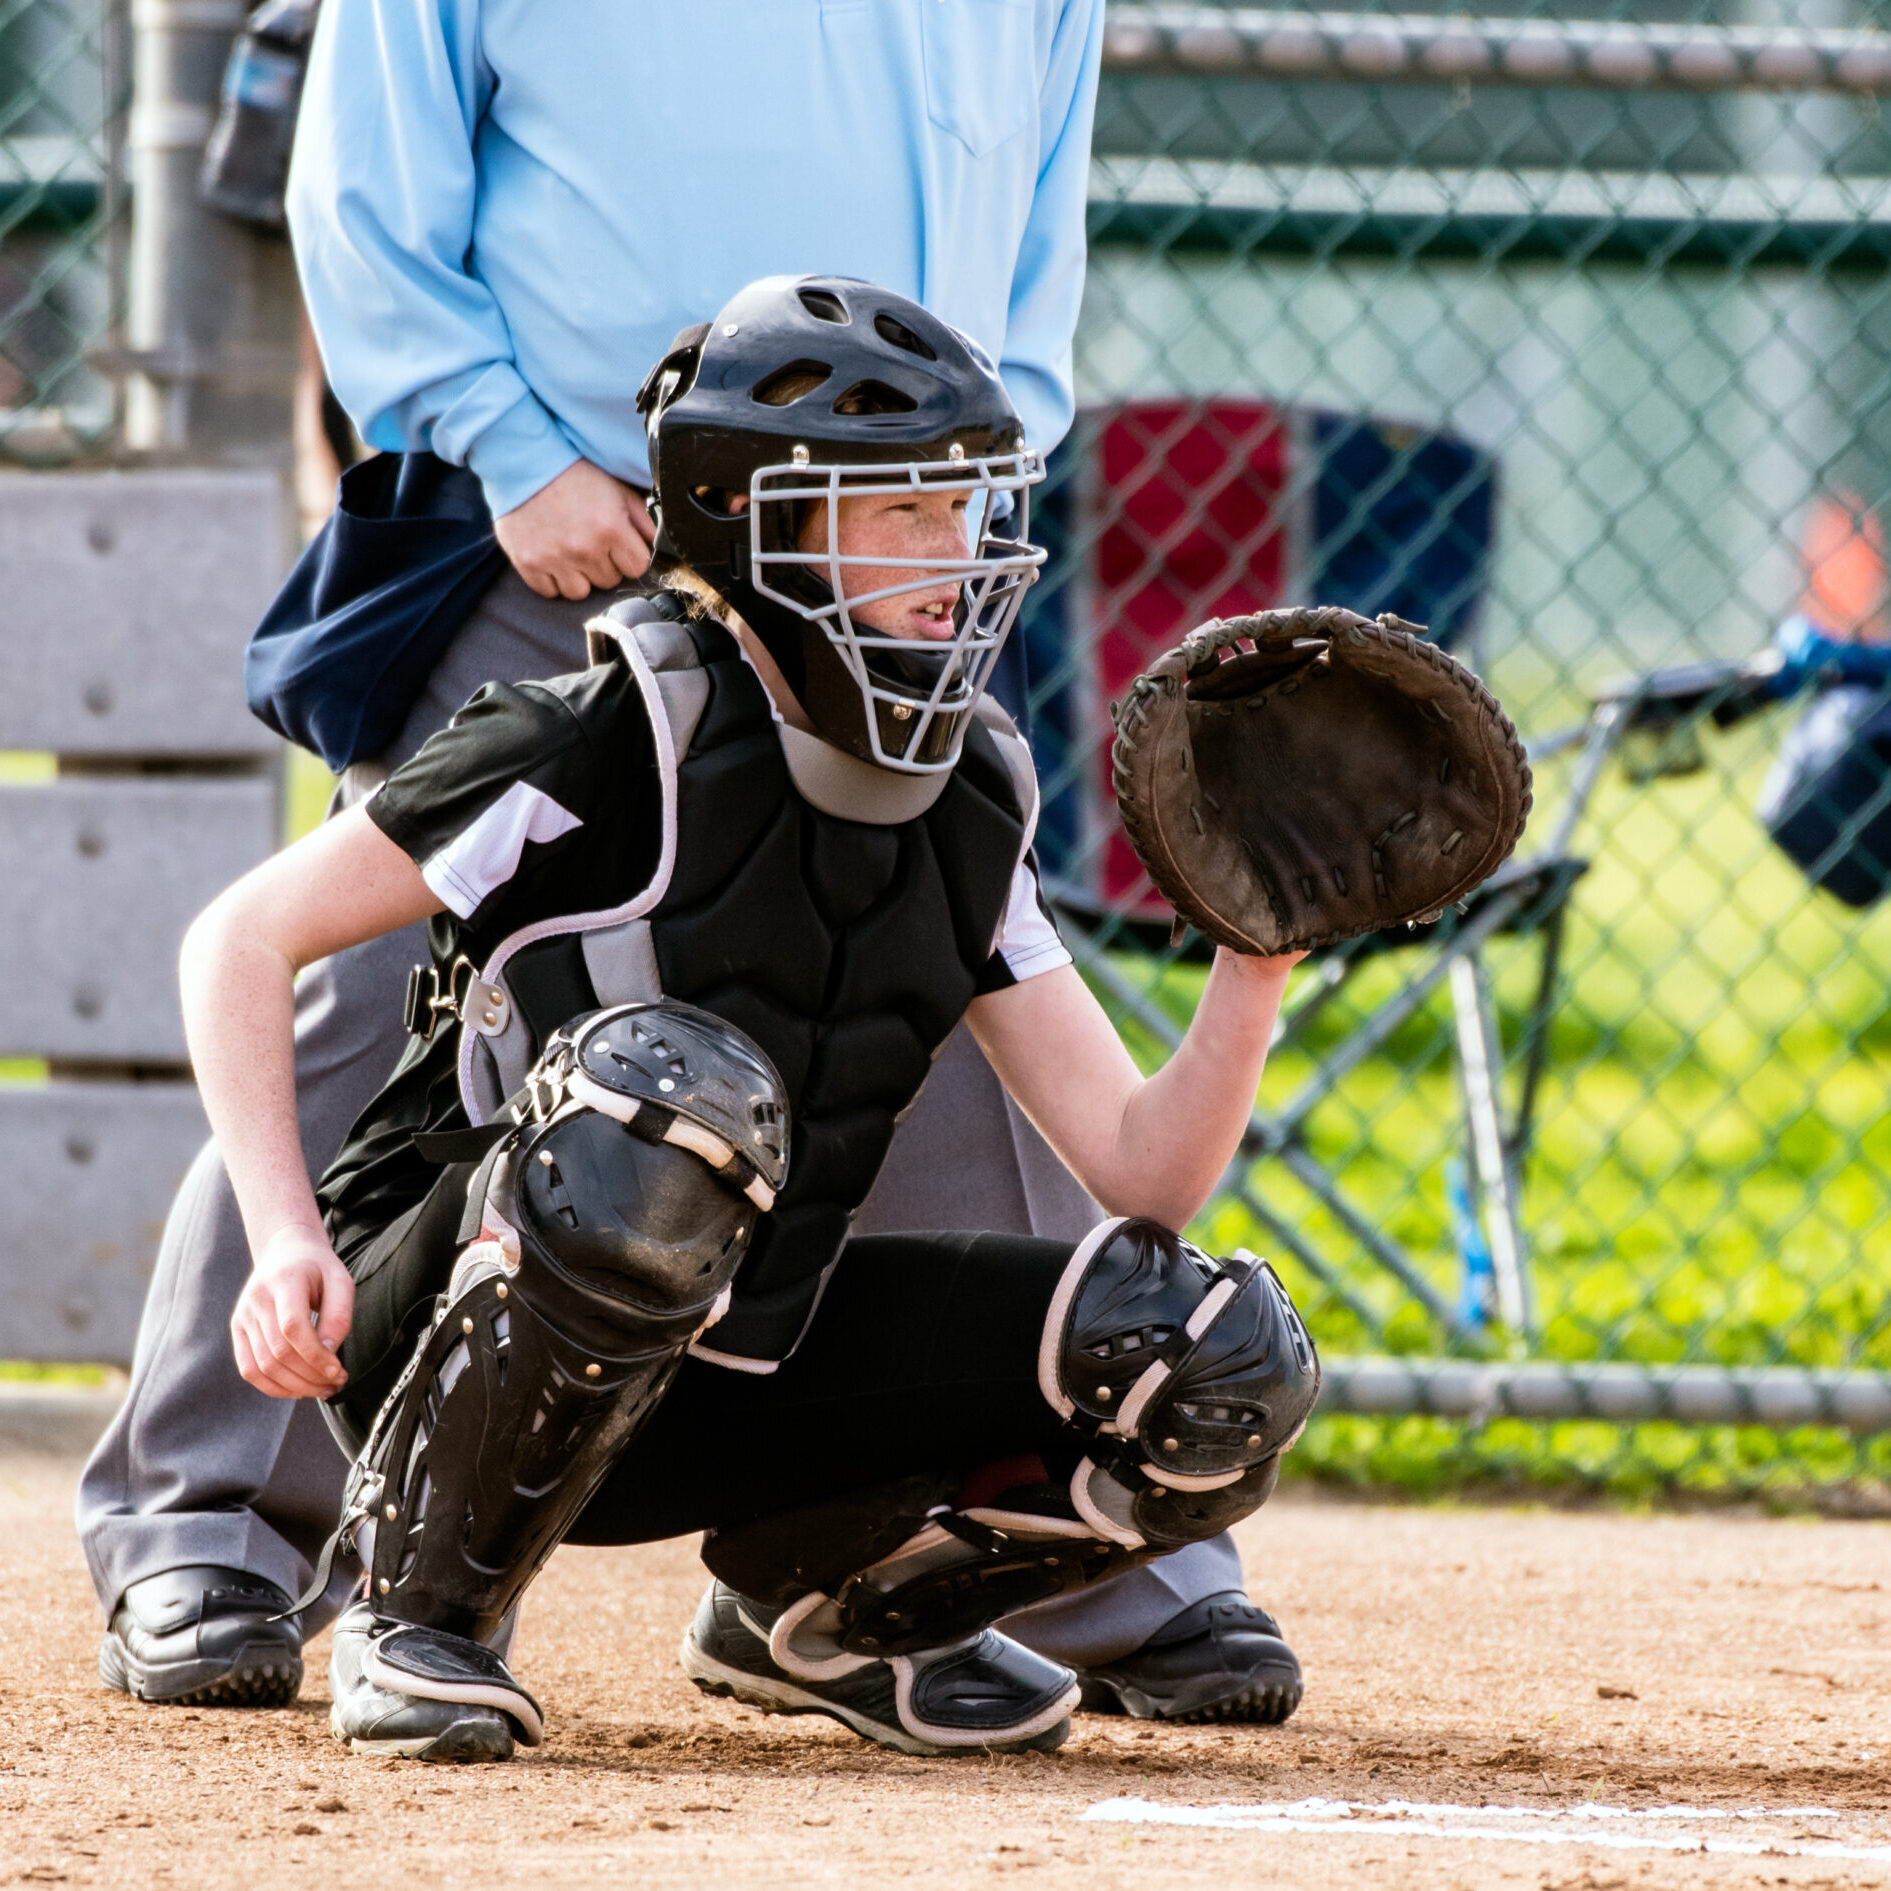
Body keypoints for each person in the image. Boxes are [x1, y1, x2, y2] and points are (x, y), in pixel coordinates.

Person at [80, 0, 1304, 1728]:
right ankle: (218, 1518)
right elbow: (364, 193)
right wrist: (503, 443)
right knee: (398, 1005)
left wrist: (969, 500)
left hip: (897, 543)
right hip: (569, 505)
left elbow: (1033, 238)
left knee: (917, 979)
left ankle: (971, 1571)